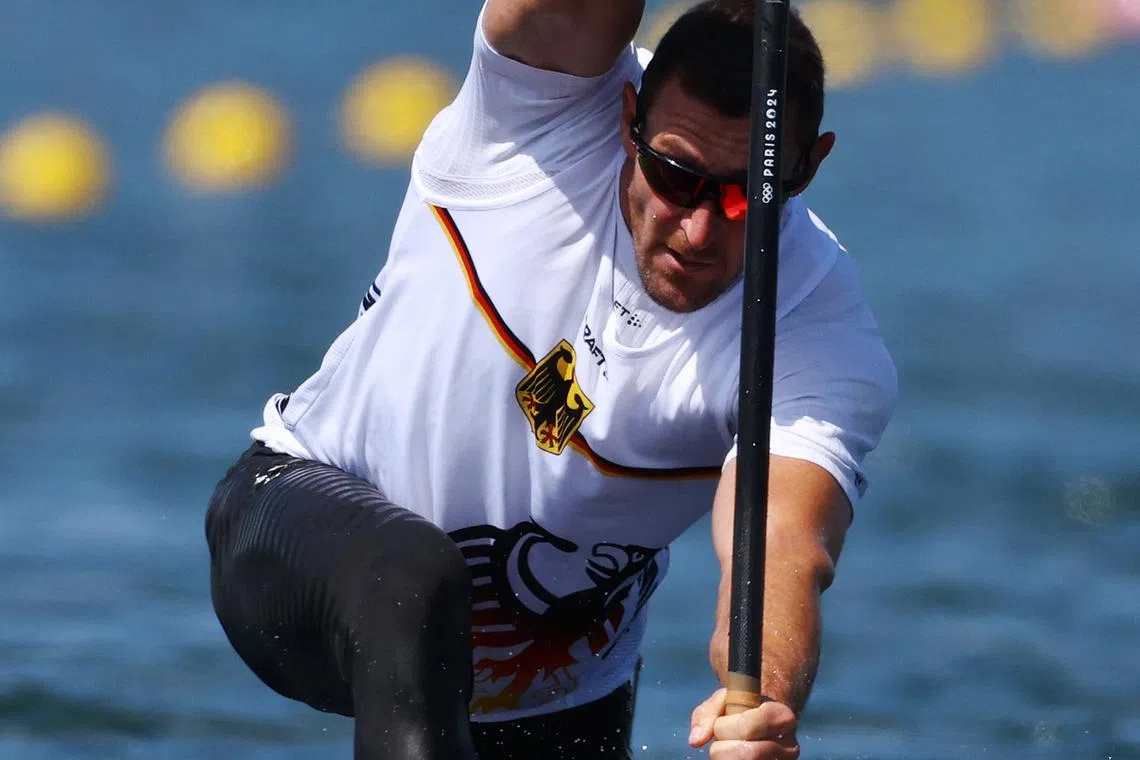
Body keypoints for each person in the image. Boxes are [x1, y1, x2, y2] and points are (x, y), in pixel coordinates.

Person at [204, 1, 898, 758]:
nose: (698, 229)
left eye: (743, 197)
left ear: (809, 166)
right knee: (418, 578)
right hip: (301, 532)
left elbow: (781, 541)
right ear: (628, 118)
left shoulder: (817, 324)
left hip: (557, 680)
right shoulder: (542, 110)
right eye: (676, 176)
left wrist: (761, 700)